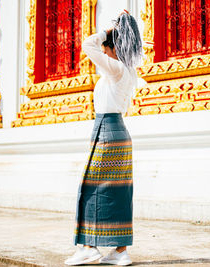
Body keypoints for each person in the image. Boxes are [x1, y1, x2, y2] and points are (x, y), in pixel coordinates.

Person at [64, 10, 145, 266]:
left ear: (112, 48)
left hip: (107, 132)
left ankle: (89, 247)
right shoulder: (128, 71)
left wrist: (108, 33)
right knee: (118, 191)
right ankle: (120, 251)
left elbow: (87, 45)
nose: (104, 51)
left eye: (107, 48)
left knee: (91, 187)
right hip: (118, 131)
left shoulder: (116, 68)